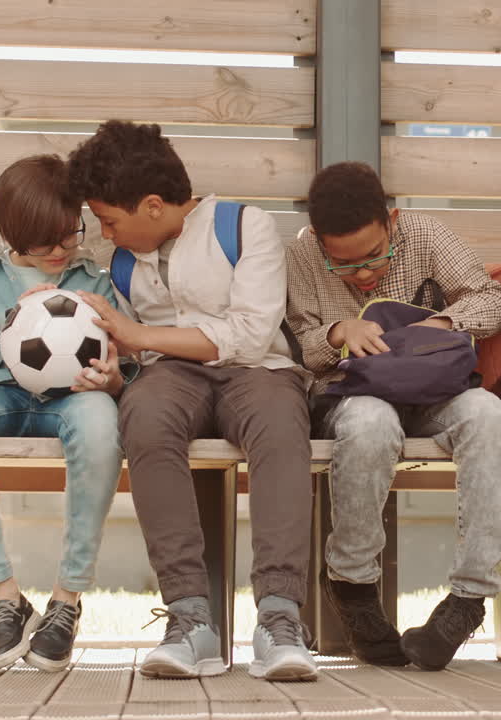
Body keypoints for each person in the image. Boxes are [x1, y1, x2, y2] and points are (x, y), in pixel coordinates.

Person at [68, 120, 317, 682]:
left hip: (257, 371)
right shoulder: (127, 261)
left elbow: (252, 335)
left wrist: (139, 337)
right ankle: (189, 620)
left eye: (110, 220)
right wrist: (116, 369)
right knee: (144, 416)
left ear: (152, 205)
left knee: (281, 426)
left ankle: (280, 617)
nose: (105, 234)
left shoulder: (243, 225)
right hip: (171, 377)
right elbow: (133, 354)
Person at [285, 161, 501, 671]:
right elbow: (302, 344)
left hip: (437, 392)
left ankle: (468, 598)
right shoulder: (302, 252)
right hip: (353, 394)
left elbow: (493, 301)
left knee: (490, 416)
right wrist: (338, 332)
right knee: (370, 424)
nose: (365, 273)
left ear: (391, 221)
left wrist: (441, 323)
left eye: (374, 256)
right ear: (321, 243)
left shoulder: (425, 233)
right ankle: (353, 587)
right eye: (344, 265)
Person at [0, 154, 124, 673]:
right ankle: (5, 599)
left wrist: (115, 378)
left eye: (69, 234)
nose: (60, 250)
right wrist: (9, 323)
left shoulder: (92, 278)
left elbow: (128, 362)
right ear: (12, 233)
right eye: (43, 241)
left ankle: (65, 601)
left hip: (71, 399)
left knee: (102, 425)